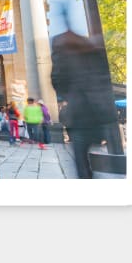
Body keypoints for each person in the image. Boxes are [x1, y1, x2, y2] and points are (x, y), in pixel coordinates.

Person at [50, 27, 121, 179]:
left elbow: (57, 81)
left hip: (80, 115)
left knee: (82, 162)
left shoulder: (62, 52)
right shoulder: (95, 52)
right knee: (94, 160)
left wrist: (69, 94)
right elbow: (105, 81)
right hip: (101, 114)